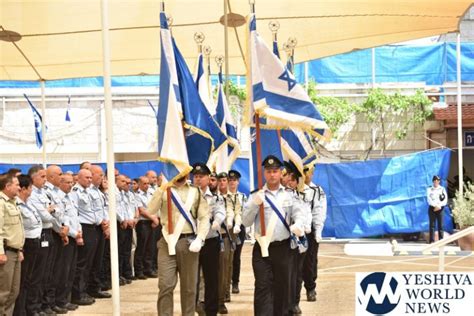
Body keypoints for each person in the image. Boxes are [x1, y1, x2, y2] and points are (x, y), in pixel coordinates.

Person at [243, 155, 305, 316]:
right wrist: (254, 204)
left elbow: (299, 213)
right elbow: (246, 221)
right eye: (269, 171)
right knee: (263, 287)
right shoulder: (256, 195)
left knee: (282, 288)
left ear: (280, 173)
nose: (272, 175)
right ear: (264, 173)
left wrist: (298, 224)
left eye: (275, 171)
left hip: (283, 249)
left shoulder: (289, 195)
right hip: (262, 249)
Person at [148, 173, 210, 316]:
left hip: (188, 242)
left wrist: (200, 238)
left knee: (189, 288)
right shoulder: (164, 189)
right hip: (166, 242)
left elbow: (204, 217)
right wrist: (161, 188)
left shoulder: (195, 191)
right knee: (165, 285)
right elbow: (151, 210)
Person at [192, 163, 226, 316]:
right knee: (191, 278)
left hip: (210, 241)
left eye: (201, 177)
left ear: (208, 178)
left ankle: (211, 310)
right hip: (191, 241)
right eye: (196, 176)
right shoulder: (188, 196)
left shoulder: (215, 198)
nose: (198, 179)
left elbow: (220, 211)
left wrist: (217, 221)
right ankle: (193, 306)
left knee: (211, 277)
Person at [55, 173, 82, 312]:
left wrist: (79, 231)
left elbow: (75, 217)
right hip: (66, 237)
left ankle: (66, 298)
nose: (71, 185)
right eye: (67, 182)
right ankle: (60, 300)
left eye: (72, 182)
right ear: (60, 182)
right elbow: (62, 219)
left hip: (74, 236)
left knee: (71, 270)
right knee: (63, 271)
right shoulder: (58, 197)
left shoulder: (71, 197)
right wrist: (74, 233)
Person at [0, 173, 24, 316]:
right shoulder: (1, 203)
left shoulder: (12, 201)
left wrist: (19, 249)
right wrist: (1, 252)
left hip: (15, 251)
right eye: (16, 184)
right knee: (3, 293)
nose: (19, 187)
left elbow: (15, 229)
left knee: (14, 291)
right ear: (7, 186)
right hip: (6, 252)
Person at [13, 175, 37, 316]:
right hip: (24, 244)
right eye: (30, 187)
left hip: (33, 242)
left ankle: (26, 309)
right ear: (24, 189)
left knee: (29, 279)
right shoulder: (15, 204)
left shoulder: (28, 203)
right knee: (21, 282)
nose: (32, 190)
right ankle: (20, 311)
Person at [302, 165, 327, 303]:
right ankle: (294, 291)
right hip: (297, 228)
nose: (306, 175)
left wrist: (318, 230)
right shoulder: (295, 188)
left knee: (310, 260)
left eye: (309, 172)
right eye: (304, 172)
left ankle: (310, 288)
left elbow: (320, 211)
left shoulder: (317, 190)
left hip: (311, 230)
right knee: (295, 261)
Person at [134, 176, 159, 279]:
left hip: (152, 222)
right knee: (142, 247)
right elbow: (141, 210)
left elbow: (156, 206)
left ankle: (148, 269)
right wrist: (153, 218)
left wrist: (155, 219)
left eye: (148, 183)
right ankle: (139, 271)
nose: (147, 185)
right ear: (139, 184)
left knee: (150, 247)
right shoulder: (136, 195)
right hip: (143, 223)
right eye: (144, 183)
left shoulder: (151, 193)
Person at [227, 170, 246, 295]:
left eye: (234, 180)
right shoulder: (224, 196)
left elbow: (245, 212)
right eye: (230, 180)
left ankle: (235, 283)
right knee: (227, 257)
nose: (232, 182)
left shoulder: (243, 196)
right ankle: (226, 283)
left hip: (239, 228)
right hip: (227, 227)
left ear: (238, 182)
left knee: (236, 257)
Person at [427, 175, 448, 243]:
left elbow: (445, 199)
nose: (436, 181)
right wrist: (435, 206)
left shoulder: (442, 189)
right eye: (435, 180)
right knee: (432, 225)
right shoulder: (429, 189)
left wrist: (439, 206)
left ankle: (441, 241)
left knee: (441, 225)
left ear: (439, 181)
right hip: (432, 208)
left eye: (437, 180)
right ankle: (431, 241)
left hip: (440, 208)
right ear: (433, 181)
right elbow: (429, 199)